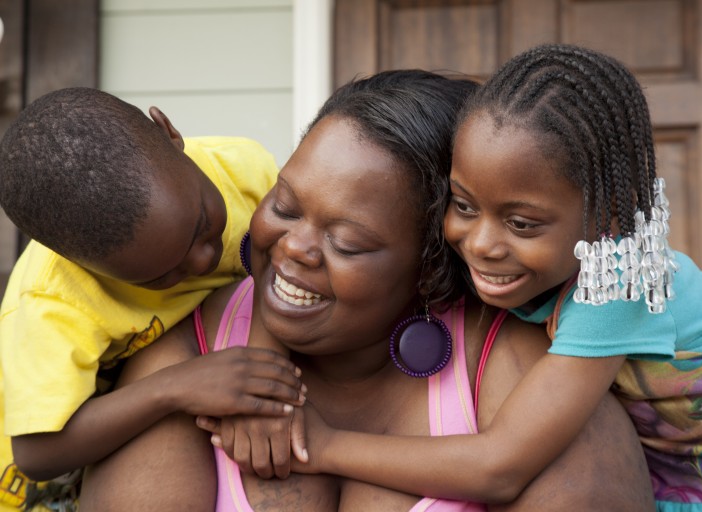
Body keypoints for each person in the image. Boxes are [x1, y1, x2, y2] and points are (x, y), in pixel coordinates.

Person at [78, 69, 654, 511]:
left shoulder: (520, 372)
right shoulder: (182, 366)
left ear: (432, 266)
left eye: (348, 242)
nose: (295, 247)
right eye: (285, 206)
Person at [271, 44, 702, 511]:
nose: (482, 243)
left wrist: (326, 445)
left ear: (610, 217)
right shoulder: (531, 268)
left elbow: (500, 466)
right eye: (463, 205)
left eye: (521, 223)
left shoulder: (617, 288)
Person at [0, 88, 305, 511]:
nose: (203, 261)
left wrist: (259, 355)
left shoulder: (242, 169)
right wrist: (176, 387)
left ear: (169, 133)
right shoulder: (50, 302)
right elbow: (36, 455)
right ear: (75, 262)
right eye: (162, 275)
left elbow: (281, 259)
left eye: (202, 223)